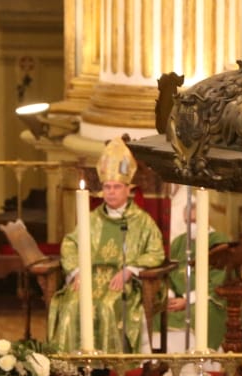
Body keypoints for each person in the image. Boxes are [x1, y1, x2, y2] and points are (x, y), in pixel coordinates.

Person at [46, 138, 164, 354]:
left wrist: (130, 270)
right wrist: (76, 271)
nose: (110, 192)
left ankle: (106, 366)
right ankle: (72, 367)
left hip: (121, 282)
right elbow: (70, 244)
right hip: (88, 278)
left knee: (106, 306)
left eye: (116, 187)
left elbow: (156, 252)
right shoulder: (91, 219)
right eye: (106, 187)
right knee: (72, 304)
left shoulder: (142, 221)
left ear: (129, 189)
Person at [152, 199, 232, 352]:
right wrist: (169, 296)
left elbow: (219, 281)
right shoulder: (179, 243)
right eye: (188, 222)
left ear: (206, 219)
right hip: (179, 298)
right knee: (158, 310)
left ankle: (201, 362)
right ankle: (168, 363)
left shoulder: (219, 242)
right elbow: (169, 275)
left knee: (198, 313)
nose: (192, 226)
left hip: (210, 299)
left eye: (195, 221)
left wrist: (188, 300)